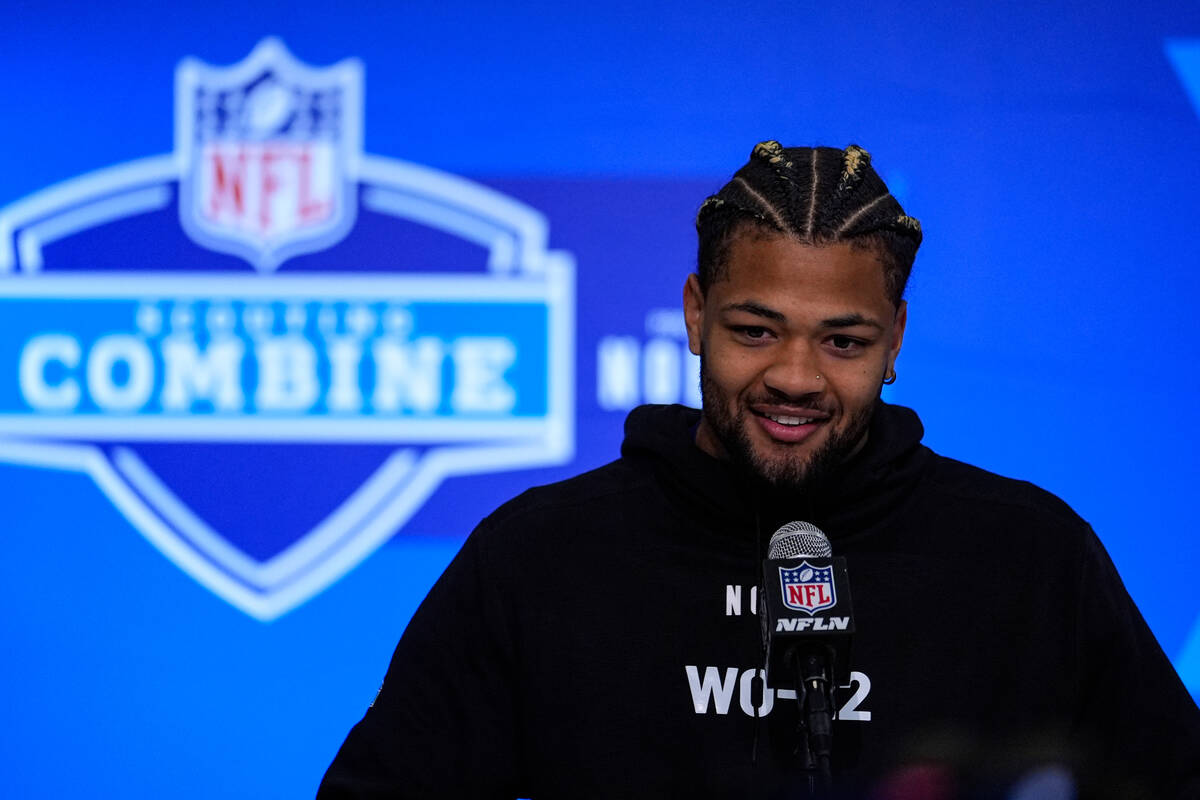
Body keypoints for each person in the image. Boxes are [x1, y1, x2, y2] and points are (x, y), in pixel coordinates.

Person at [318, 142, 1200, 799]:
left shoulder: (1028, 557)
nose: (794, 376)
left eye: (843, 341)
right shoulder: (542, 555)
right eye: (755, 329)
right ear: (696, 315)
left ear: (895, 338)